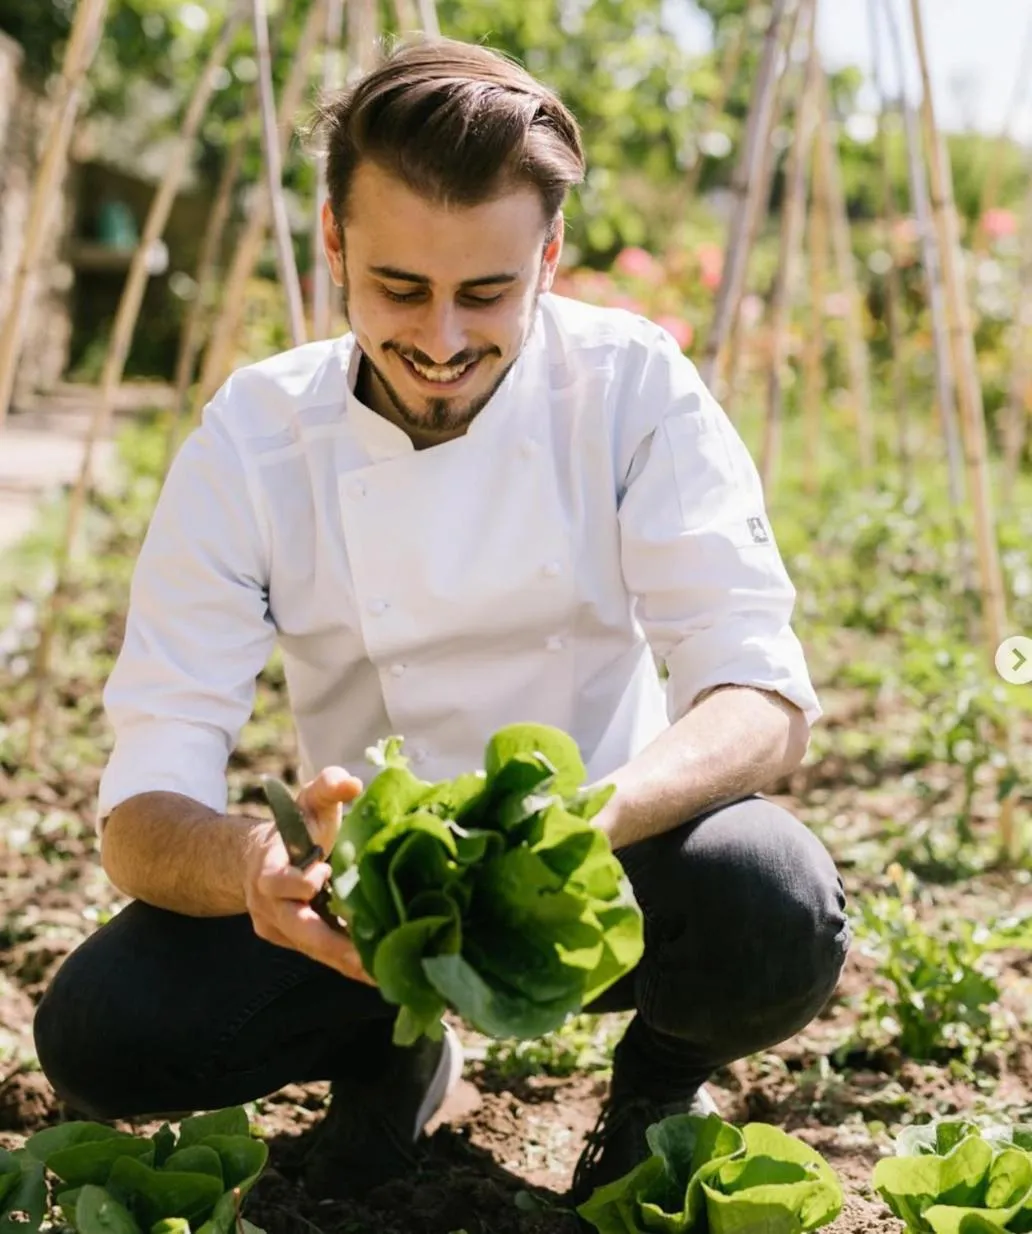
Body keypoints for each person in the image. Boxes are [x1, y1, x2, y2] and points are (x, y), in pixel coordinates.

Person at [33, 34, 849, 1212]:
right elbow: (143, 801)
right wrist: (258, 865)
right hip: (363, 901)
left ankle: (658, 1088)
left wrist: (585, 819)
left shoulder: (632, 388)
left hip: (607, 872)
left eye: (487, 291)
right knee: (105, 1034)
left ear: (550, 255)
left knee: (777, 897)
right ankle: (391, 1048)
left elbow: (761, 700)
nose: (444, 339)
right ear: (333, 241)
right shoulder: (254, 436)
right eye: (400, 288)